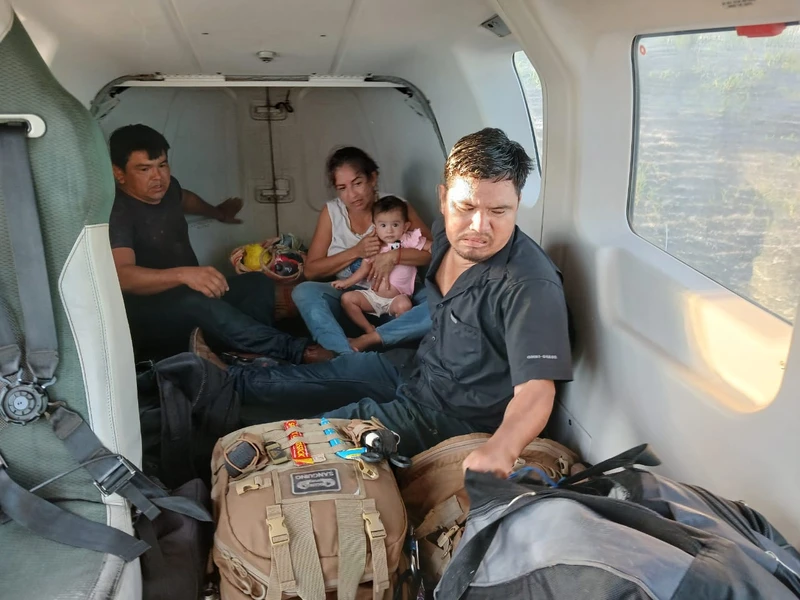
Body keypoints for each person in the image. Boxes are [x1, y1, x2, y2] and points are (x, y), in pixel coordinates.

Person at [195, 127, 573, 475]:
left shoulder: (528, 285)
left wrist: (502, 450)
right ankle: (212, 388)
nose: (479, 227)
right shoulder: (443, 233)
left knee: (304, 444)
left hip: (447, 412)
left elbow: (537, 390)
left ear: (518, 202)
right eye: (466, 207)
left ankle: (228, 447)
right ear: (444, 199)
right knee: (302, 381)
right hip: (414, 368)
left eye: (498, 211)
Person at [108, 124, 332, 364]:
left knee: (257, 283)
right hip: (152, 320)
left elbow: (186, 199)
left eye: (162, 165)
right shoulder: (119, 212)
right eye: (144, 169)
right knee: (197, 302)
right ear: (119, 173)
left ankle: (248, 352)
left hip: (190, 298)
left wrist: (217, 212)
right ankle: (296, 351)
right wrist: (184, 275)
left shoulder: (167, 188)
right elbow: (123, 276)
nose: (158, 177)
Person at [291, 147, 434, 355]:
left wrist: (395, 256)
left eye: (357, 183)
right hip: (354, 298)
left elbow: (436, 252)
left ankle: (372, 339)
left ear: (373, 178)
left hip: (401, 296)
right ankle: (344, 354)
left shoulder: (396, 207)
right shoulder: (332, 212)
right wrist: (356, 251)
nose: (352, 195)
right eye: (342, 188)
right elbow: (311, 271)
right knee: (304, 291)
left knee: (442, 303)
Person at [333, 196, 432, 343]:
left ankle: (395, 336)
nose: (389, 230)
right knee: (347, 299)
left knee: (405, 305)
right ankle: (368, 329)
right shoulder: (374, 246)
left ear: (405, 226)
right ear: (375, 227)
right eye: (383, 225)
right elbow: (363, 269)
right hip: (373, 297)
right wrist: (347, 282)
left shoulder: (408, 240)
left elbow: (432, 247)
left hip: (397, 298)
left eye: (395, 225)